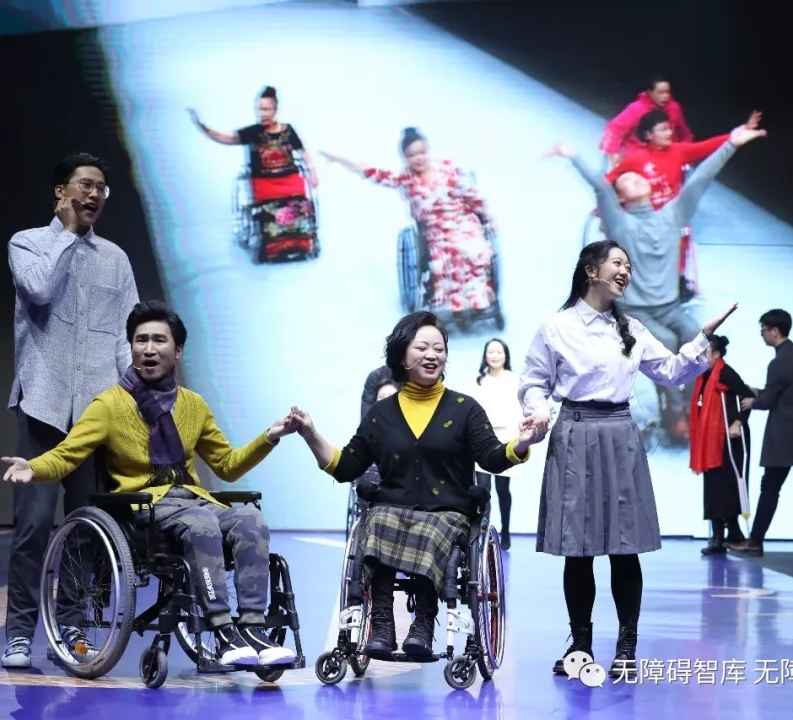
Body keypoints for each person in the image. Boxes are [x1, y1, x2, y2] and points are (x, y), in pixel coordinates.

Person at [1, 300, 301, 667]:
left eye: (159, 340)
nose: (148, 349)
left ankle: (252, 627)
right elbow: (68, 453)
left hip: (191, 500)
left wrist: (269, 437)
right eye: (140, 340)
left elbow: (227, 465)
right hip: (143, 510)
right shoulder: (110, 405)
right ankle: (223, 630)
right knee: (201, 524)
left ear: (178, 351)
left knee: (250, 519)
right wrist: (34, 468)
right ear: (130, 348)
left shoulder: (193, 405)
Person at [518, 239, 737, 680]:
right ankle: (580, 646)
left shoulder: (631, 329)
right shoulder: (555, 326)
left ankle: (626, 646)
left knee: (624, 548)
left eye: (629, 266)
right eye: (617, 263)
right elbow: (534, 382)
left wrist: (702, 337)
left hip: (619, 434)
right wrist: (537, 410)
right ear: (590, 270)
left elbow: (671, 371)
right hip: (574, 432)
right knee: (577, 550)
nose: (625, 271)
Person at [289, 311, 546, 657]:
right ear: (401, 356)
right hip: (392, 509)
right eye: (422, 347)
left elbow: (491, 457)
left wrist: (523, 443)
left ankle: (424, 623)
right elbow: (346, 466)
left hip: (447, 514)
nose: (432, 355)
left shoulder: (465, 408)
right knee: (377, 520)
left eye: (439, 348)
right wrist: (310, 433)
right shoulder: (381, 414)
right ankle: (381, 625)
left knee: (432, 528)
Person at [546, 120, 767, 446]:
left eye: (638, 176)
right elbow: (601, 188)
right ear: (621, 197)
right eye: (627, 179)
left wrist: (731, 143)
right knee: (664, 345)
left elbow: (701, 179)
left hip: (670, 306)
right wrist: (573, 156)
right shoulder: (620, 224)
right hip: (636, 311)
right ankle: (673, 412)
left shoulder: (673, 214)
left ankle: (694, 407)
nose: (636, 177)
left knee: (699, 342)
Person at [2, 152, 139, 669]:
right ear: (61, 192)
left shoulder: (116, 259)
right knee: (34, 526)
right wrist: (64, 235)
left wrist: (137, 399)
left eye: (102, 188)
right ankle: (19, 634)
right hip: (43, 405)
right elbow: (38, 289)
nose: (94, 195)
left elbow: (127, 335)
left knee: (90, 525)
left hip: (96, 415)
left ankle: (73, 626)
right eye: (85, 185)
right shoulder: (27, 243)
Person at [321, 128, 498, 321]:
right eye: (412, 155)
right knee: (446, 256)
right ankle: (457, 304)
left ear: (428, 151)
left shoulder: (448, 169)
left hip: (462, 219)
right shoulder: (405, 179)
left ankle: (479, 300)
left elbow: (472, 194)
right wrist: (340, 159)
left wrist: (488, 217)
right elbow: (371, 172)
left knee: (474, 249)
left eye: (422, 152)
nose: (418, 158)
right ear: (405, 158)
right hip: (435, 229)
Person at [606, 109, 762, 301]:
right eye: (663, 129)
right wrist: (607, 209)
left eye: (669, 128)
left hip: (671, 219)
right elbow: (609, 181)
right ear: (649, 135)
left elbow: (706, 146)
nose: (669, 133)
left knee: (676, 253)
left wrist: (734, 136)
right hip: (645, 223)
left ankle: (674, 285)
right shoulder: (635, 158)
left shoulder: (678, 151)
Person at [729, 310, 793, 559]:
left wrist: (752, 401)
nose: (762, 334)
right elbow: (785, 392)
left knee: (770, 487)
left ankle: (755, 542)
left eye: (763, 329)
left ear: (774, 331)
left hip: (785, 436)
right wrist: (759, 392)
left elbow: (768, 401)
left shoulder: (778, 363)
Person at [188, 86, 319, 261]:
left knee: (298, 203)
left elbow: (303, 151)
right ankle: (274, 246)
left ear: (275, 110)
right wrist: (203, 128)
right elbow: (226, 138)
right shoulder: (252, 132)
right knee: (271, 208)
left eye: (267, 109)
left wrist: (313, 172)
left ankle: (301, 242)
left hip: (290, 179)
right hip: (265, 182)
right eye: (260, 109)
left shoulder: (288, 130)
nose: (262, 113)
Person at [688, 334, 755, 555]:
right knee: (714, 486)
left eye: (705, 353)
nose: (700, 357)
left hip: (730, 438)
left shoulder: (725, 372)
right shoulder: (703, 376)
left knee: (729, 484)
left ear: (716, 354)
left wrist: (738, 422)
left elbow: (747, 396)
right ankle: (721, 536)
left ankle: (732, 533)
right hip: (710, 440)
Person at [472, 338, 523, 550]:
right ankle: (483, 533)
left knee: (503, 489)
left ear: (505, 355)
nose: (494, 355)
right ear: (485, 356)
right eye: (491, 352)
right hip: (483, 437)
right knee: (483, 488)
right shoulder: (479, 380)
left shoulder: (515, 379)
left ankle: (506, 530)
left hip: (507, 438)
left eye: (499, 352)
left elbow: (520, 407)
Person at [600, 74, 694, 168]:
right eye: (660, 93)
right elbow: (613, 130)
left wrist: (683, 152)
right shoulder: (636, 109)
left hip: (667, 158)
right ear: (650, 92)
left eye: (668, 92)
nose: (666, 96)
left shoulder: (674, 108)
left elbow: (685, 133)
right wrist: (614, 154)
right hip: (638, 157)